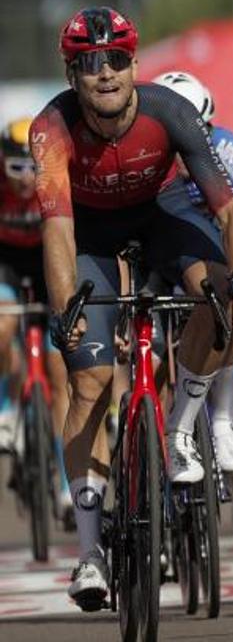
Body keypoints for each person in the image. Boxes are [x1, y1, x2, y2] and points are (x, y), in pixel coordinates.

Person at [32, 6, 233, 610]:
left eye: (115, 59)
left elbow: (231, 212)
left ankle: (182, 431)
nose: (104, 73)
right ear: (72, 72)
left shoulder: (171, 112)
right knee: (90, 382)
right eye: (89, 63)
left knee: (217, 297)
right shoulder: (50, 128)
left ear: (134, 64)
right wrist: (66, 309)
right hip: (88, 237)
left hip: (163, 217)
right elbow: (57, 231)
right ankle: (88, 554)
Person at [153, 70, 233, 475]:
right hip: (164, 248)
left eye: (196, 132)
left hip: (213, 244)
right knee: (151, 362)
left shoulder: (231, 151)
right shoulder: (150, 161)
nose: (187, 148)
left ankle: (223, 419)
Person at [0, 118, 73, 515]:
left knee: (59, 373)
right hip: (6, 266)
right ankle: (6, 409)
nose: (26, 178)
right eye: (15, 168)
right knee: (3, 323)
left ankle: (65, 483)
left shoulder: (53, 184)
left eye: (32, 168)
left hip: (47, 267)